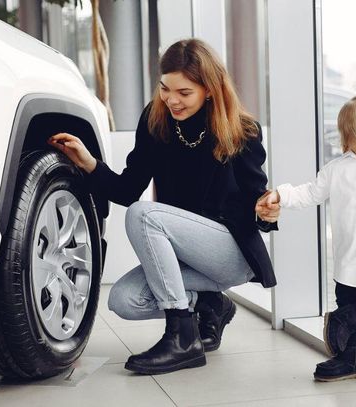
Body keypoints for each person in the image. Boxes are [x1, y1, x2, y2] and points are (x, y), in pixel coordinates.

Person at [48, 38, 280, 375]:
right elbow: (128, 189)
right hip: (186, 254)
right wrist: (89, 163)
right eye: (165, 89)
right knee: (123, 300)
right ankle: (211, 304)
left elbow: (256, 198)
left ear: (209, 90)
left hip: (230, 253)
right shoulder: (156, 121)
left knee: (144, 215)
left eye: (184, 92)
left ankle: (182, 338)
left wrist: (266, 211)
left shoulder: (241, 130)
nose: (172, 99)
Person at [257, 84, 356, 382]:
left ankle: (345, 319)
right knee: (349, 298)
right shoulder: (337, 170)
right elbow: (310, 193)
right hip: (351, 257)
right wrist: (281, 194)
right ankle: (348, 359)